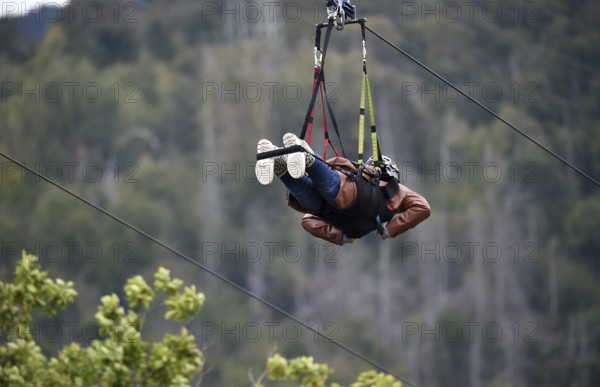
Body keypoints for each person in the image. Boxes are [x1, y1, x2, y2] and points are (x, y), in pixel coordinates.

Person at [256, 133, 431, 245]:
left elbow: (307, 221)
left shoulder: (381, 194)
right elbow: (423, 207)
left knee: (315, 183)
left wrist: (339, 236)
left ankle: (277, 157)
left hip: (331, 202)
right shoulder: (393, 189)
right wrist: (390, 230)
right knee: (319, 185)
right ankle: (300, 154)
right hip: (346, 198)